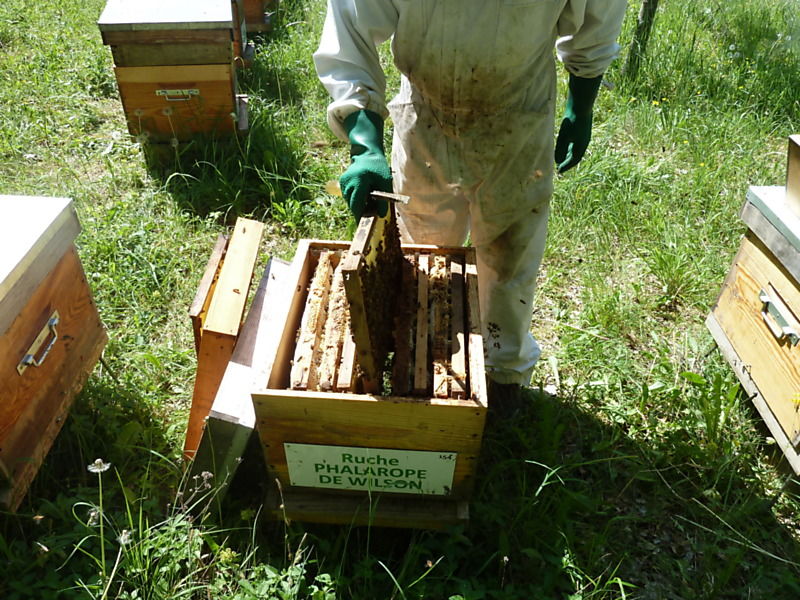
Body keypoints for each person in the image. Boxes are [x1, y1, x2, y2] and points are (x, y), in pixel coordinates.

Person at [314, 1, 627, 407]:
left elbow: (598, 15)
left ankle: (503, 377)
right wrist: (365, 142)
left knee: (509, 255)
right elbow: (350, 30)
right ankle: (422, 365)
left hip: (519, 114)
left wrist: (580, 103)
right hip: (425, 111)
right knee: (423, 254)